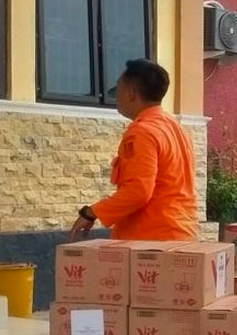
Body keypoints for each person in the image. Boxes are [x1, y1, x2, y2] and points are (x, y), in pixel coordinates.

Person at [69, 59, 198, 241]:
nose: (115, 96)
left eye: (118, 89)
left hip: (150, 241)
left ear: (131, 94)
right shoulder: (176, 129)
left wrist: (91, 212)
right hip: (180, 234)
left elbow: (138, 191)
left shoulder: (142, 132)